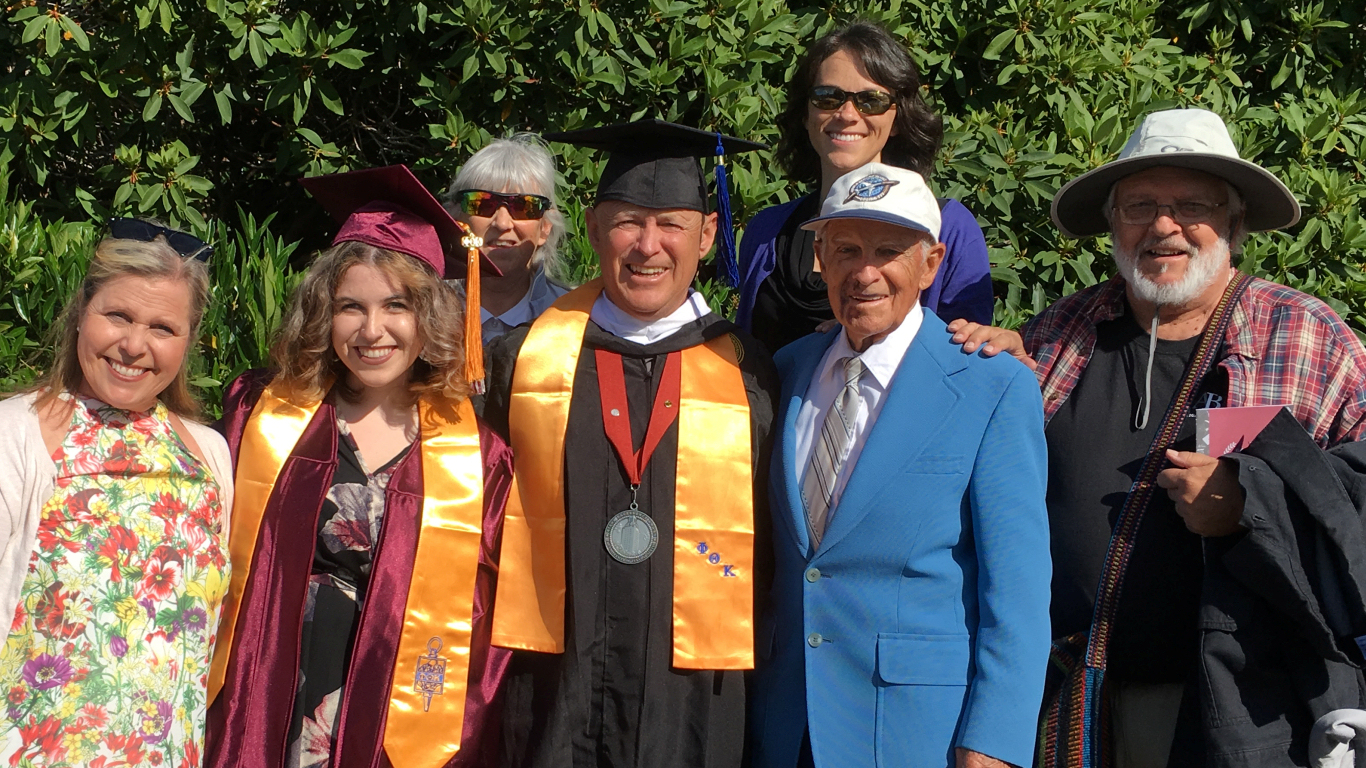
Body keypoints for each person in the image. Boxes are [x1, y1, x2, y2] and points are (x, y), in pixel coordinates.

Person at [950, 108, 1366, 767]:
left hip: (1244, 709)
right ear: (1112, 223)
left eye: (1192, 205)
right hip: (1064, 704)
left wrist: (1252, 502)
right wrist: (982, 370)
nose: (1164, 225)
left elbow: (1359, 501)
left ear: (1234, 223)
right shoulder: (1057, 332)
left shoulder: (1309, 336)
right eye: (1140, 205)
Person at [479, 119, 779, 768]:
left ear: (707, 235)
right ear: (593, 228)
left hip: (692, 699)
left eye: (671, 223)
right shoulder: (523, 362)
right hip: (552, 689)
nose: (648, 245)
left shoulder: (748, 373)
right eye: (627, 223)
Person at [204, 165, 513, 768]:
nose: (373, 331)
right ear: (325, 313)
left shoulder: (479, 457)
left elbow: (485, 621)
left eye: (396, 306)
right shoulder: (261, 414)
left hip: (396, 716)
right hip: (264, 700)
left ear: (430, 315)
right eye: (351, 307)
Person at [750, 163, 1050, 768]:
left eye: (889, 251)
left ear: (931, 264)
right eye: (846, 250)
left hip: (915, 731)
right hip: (783, 723)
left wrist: (994, 740)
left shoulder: (991, 385)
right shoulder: (785, 369)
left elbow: (1018, 586)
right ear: (820, 258)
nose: (865, 273)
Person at [0, 220, 232, 767]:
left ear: (188, 340)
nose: (133, 345)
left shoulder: (208, 453)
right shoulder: (16, 435)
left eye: (162, 328)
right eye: (118, 316)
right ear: (83, 311)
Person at [736, 20, 994, 353]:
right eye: (828, 97)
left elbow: (963, 357)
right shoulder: (767, 232)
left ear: (897, 118)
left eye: (871, 100)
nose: (847, 114)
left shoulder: (948, 230)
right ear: (805, 113)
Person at [444, 133, 572, 341]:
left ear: (545, 227)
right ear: (456, 218)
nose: (502, 223)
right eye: (482, 203)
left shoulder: (574, 318)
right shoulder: (424, 314)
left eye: (523, 206)